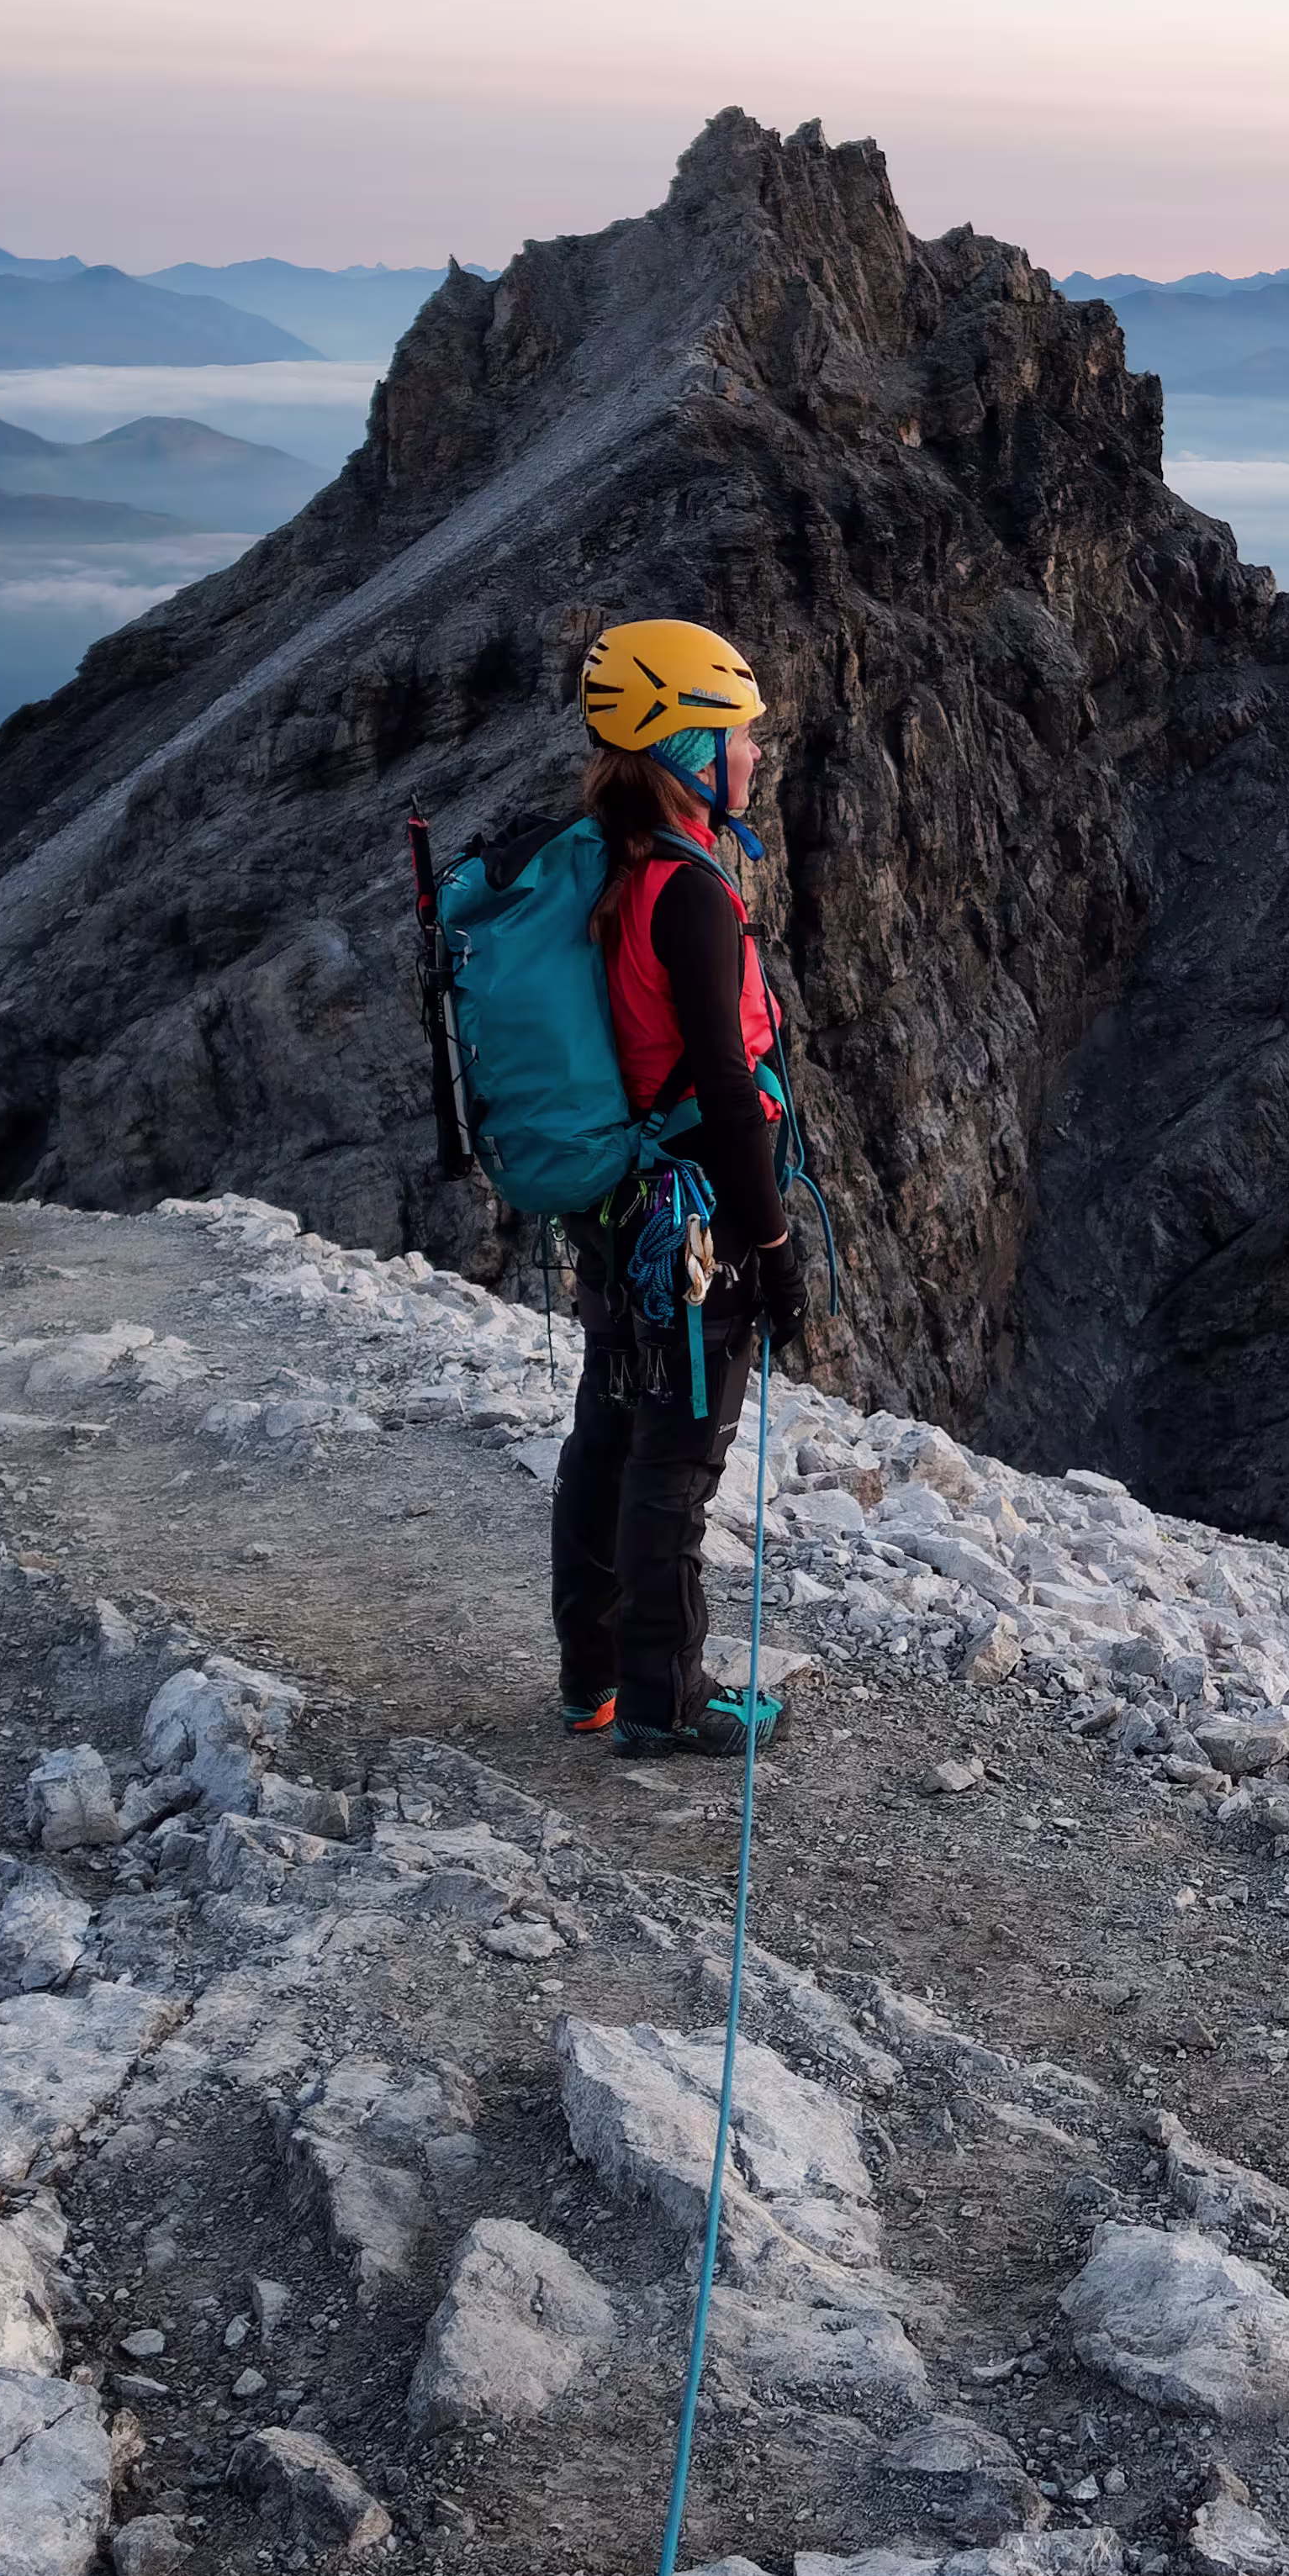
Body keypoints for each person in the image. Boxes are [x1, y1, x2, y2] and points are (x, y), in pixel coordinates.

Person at [549, 618, 811, 1749]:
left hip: (618, 1210)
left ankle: (593, 1679)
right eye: (738, 734)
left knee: (609, 1429)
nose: (753, 753)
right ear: (688, 749)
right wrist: (774, 1248)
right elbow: (718, 1076)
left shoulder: (605, 861)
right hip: (694, 1220)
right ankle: (665, 1707)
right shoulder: (692, 893)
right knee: (677, 1455)